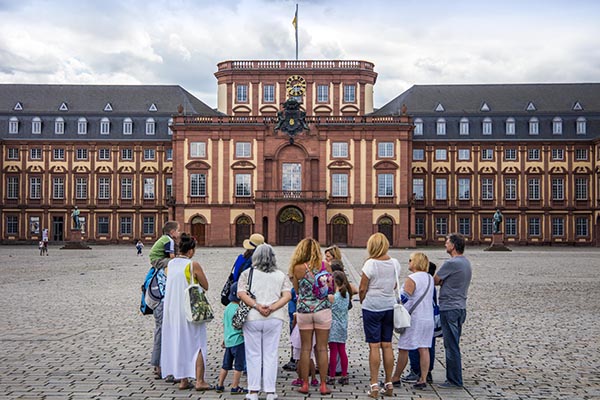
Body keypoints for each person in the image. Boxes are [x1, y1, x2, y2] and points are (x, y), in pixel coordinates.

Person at [237, 243, 292, 400]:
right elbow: (287, 296)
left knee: (253, 354)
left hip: (253, 317)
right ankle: (270, 391)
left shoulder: (248, 273)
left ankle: (253, 391)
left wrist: (257, 306)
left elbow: (241, 293)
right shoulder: (281, 275)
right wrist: (272, 307)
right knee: (271, 354)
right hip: (274, 318)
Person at [160, 233, 213, 391]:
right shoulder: (192, 265)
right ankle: (200, 381)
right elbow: (206, 285)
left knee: (180, 343)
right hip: (191, 310)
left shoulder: (170, 265)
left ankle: (183, 380)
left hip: (173, 311)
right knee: (198, 344)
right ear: (190, 251)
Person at [289, 238, 333, 396]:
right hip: (322, 310)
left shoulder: (297, 268)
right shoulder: (325, 266)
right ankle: (322, 385)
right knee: (322, 348)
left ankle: (305, 384)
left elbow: (297, 291)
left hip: (304, 311)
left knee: (305, 348)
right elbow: (329, 287)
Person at [359, 232, 400, 398]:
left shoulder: (370, 264)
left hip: (372, 306)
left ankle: (374, 385)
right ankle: (389, 383)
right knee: (388, 345)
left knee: (374, 346)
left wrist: (363, 300)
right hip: (389, 306)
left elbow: (362, 288)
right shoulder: (395, 263)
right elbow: (395, 284)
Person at [391, 252, 434, 390]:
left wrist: (394, 296)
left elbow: (404, 299)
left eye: (410, 260)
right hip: (428, 318)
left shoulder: (412, 278)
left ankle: (396, 378)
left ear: (416, 262)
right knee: (424, 348)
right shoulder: (429, 278)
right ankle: (423, 379)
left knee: (404, 348)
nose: (408, 262)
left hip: (414, 319)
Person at [434, 233, 472, 389]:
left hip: (449, 308)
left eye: (447, 242)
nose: (445, 244)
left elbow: (436, 280)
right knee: (453, 343)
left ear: (454, 245)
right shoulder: (465, 262)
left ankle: (454, 380)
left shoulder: (451, 263)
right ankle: (454, 377)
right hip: (460, 307)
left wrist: (442, 280)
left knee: (451, 345)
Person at [148, 221, 180, 380]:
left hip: (156, 298)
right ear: (172, 231)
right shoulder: (169, 241)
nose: (179, 233)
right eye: (178, 231)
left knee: (159, 331)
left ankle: (158, 365)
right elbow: (172, 258)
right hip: (163, 300)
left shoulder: (164, 239)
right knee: (165, 332)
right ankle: (164, 367)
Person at [215, 282, 248, 394]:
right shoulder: (240, 309)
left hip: (228, 341)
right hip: (238, 340)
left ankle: (220, 385)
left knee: (225, 365)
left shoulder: (228, 307)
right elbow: (240, 324)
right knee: (238, 366)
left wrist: (224, 338)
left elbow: (226, 324)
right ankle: (235, 386)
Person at [327, 271, 351, 385]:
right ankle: (344, 375)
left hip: (333, 326)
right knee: (342, 351)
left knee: (333, 351)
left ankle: (331, 375)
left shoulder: (332, 297)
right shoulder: (346, 295)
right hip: (343, 325)